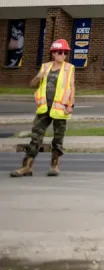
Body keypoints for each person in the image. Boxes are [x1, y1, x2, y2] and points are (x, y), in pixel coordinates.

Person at [14, 38, 76, 177]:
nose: (63, 55)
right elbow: (32, 84)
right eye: (60, 52)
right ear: (53, 53)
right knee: (36, 137)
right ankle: (27, 166)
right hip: (44, 108)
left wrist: (71, 104)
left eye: (65, 53)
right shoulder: (45, 67)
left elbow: (72, 87)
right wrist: (38, 77)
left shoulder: (69, 68)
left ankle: (54, 165)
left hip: (60, 108)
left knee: (58, 139)